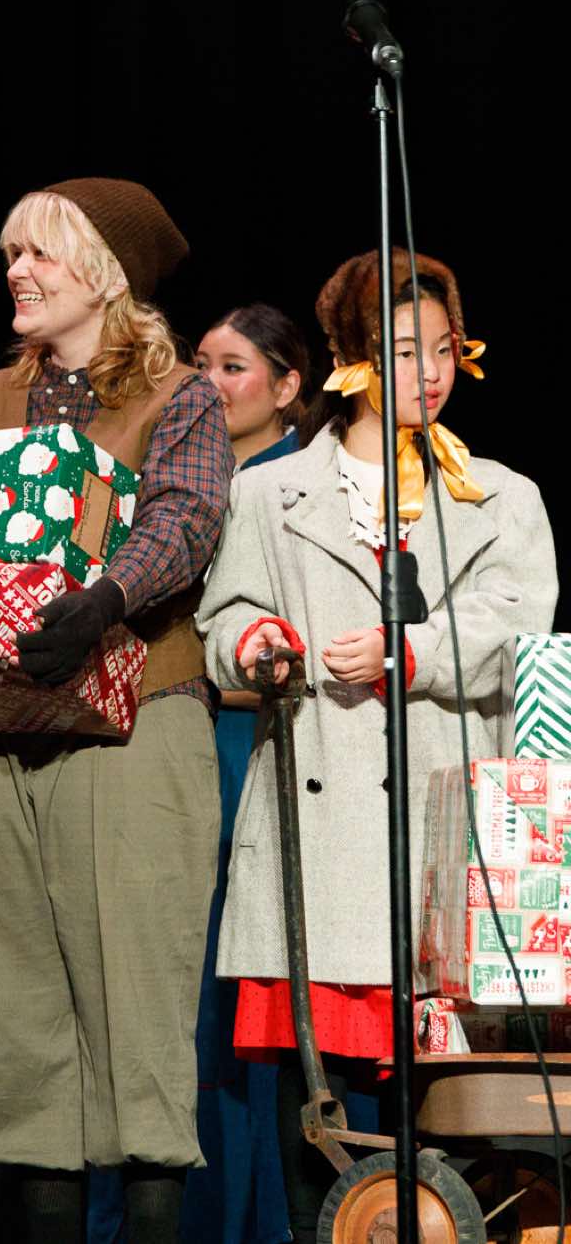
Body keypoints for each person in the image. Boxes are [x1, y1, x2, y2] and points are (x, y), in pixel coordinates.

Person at [196, 250, 558, 1242]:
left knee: (445, 1094)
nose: (429, 372)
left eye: (443, 349)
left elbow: (517, 622)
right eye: (403, 351)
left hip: (444, 824)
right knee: (314, 1083)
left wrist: (411, 651)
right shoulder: (272, 494)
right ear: (354, 358)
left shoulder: (499, 496)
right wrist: (255, 641)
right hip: (318, 817)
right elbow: (224, 614)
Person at [0, 179, 234, 1244]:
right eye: (11, 252)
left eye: (41, 252)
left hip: (132, 717)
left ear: (105, 270)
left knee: (135, 994)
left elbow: (183, 517)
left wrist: (103, 597)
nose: (17, 271)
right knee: (11, 1011)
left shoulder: (178, 396)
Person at [163, 303, 309, 1244]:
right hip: (192, 736)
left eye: (234, 366)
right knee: (192, 990)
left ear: (289, 387)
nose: (209, 384)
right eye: (201, 363)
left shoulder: (300, 486)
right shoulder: (190, 475)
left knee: (251, 984)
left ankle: (263, 1216)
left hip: (263, 740)